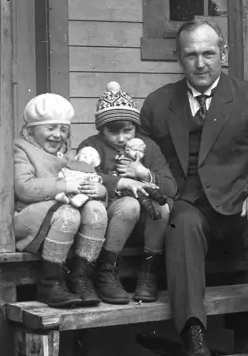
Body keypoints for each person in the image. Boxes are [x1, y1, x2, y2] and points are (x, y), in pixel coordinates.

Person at [140, 20, 248, 356]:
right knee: (181, 222)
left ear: (223, 54)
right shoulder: (158, 104)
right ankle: (194, 337)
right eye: (191, 55)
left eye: (209, 53)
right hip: (189, 206)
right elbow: (144, 162)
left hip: (241, 205)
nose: (200, 63)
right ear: (179, 57)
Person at [76, 82, 178, 305]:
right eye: (112, 132)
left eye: (127, 130)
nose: (121, 138)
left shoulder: (148, 147)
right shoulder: (91, 146)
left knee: (162, 205)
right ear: (100, 130)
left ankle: (149, 272)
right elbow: (80, 175)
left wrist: (143, 173)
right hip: (110, 219)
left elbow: (171, 187)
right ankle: (106, 271)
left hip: (146, 225)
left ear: (136, 127)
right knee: (129, 204)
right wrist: (119, 181)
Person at [12, 93, 109, 308]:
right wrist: (66, 186)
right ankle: (50, 283)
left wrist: (98, 190)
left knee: (96, 210)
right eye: (50, 128)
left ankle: (81, 277)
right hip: (28, 217)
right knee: (69, 213)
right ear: (32, 130)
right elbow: (24, 188)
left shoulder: (64, 154)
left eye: (63, 129)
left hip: (59, 213)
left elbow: (82, 179)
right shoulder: (21, 149)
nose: (58, 135)